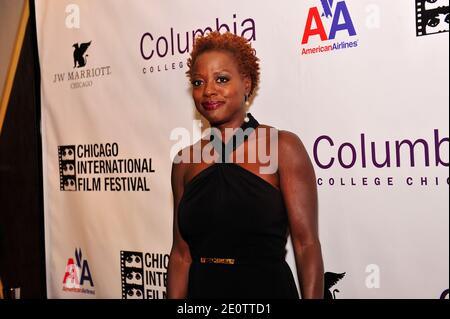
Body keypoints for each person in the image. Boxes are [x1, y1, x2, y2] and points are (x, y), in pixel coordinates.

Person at [167, 31, 324, 299]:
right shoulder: (184, 161)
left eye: (222, 79)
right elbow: (181, 255)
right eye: (198, 81)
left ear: (247, 84)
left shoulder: (281, 147)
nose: (208, 91)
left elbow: (306, 244)